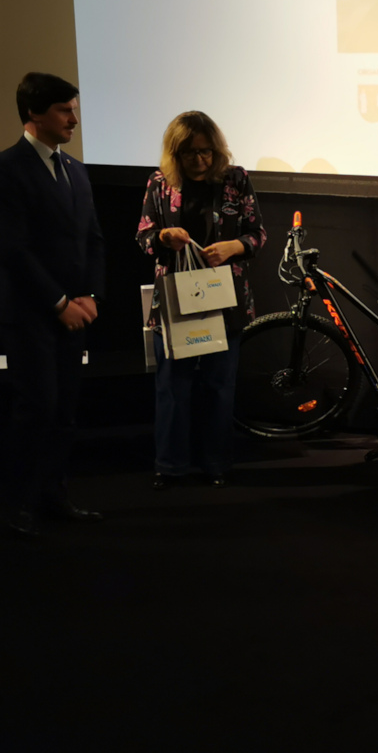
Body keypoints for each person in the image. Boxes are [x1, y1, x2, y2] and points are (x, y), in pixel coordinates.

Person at [0, 72, 106, 538]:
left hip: (74, 315)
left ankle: (53, 496)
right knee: (36, 409)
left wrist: (91, 296)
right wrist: (59, 301)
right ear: (34, 113)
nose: (74, 119)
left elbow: (94, 239)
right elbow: (12, 248)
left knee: (64, 411)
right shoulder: (8, 169)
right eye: (65, 110)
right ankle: (15, 504)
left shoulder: (76, 170)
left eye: (74, 109)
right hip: (30, 315)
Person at [136, 111, 266, 489]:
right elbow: (143, 236)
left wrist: (233, 246)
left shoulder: (236, 179)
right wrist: (164, 238)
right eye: (190, 153)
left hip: (225, 300)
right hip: (175, 301)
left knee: (219, 387)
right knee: (172, 387)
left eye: (206, 151)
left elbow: (258, 234)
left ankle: (216, 464)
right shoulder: (160, 183)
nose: (199, 160)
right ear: (175, 154)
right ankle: (170, 466)